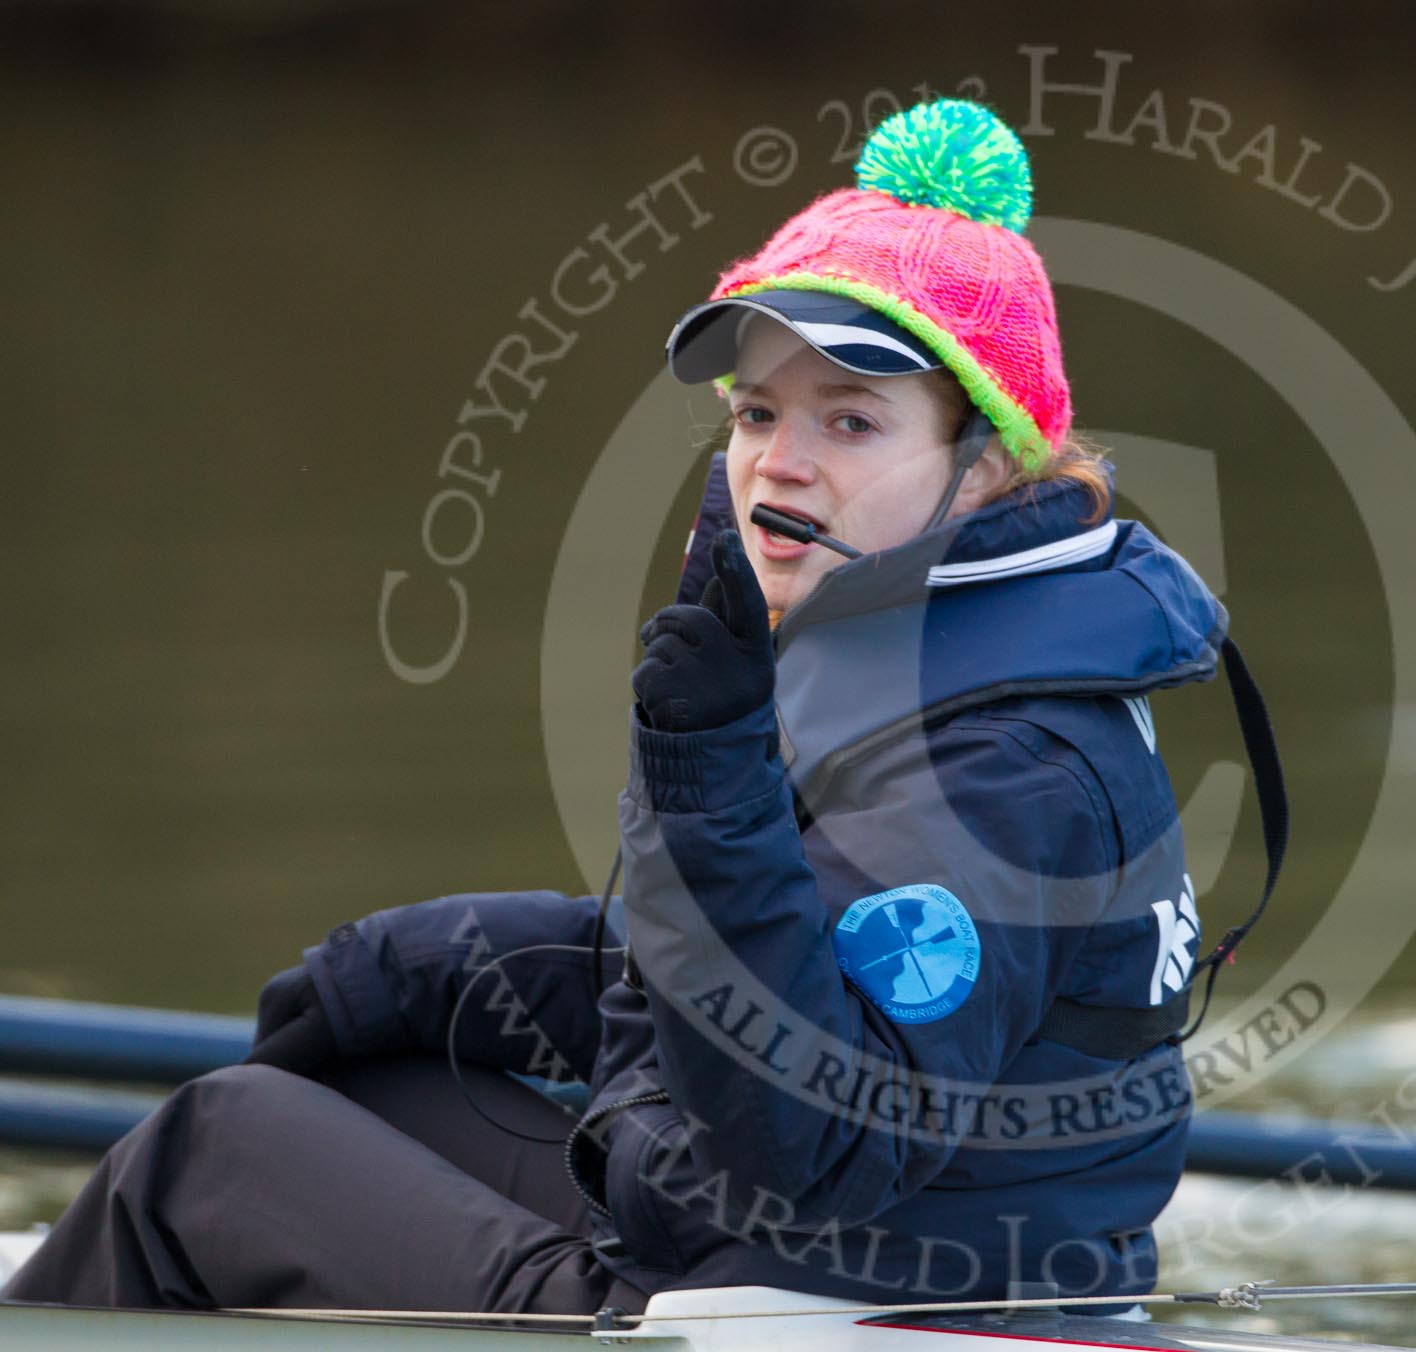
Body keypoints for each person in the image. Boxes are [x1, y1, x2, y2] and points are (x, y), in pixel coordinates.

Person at [3, 98, 1281, 1316]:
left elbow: (818, 1143)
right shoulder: (937, 658)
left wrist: (702, 758)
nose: (782, 460)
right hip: (786, 1253)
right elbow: (801, 959)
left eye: (851, 417)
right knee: (377, 1065)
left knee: (210, 1149)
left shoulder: (1013, 767)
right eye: (759, 413)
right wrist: (453, 966)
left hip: (801, 1301)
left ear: (987, 460)